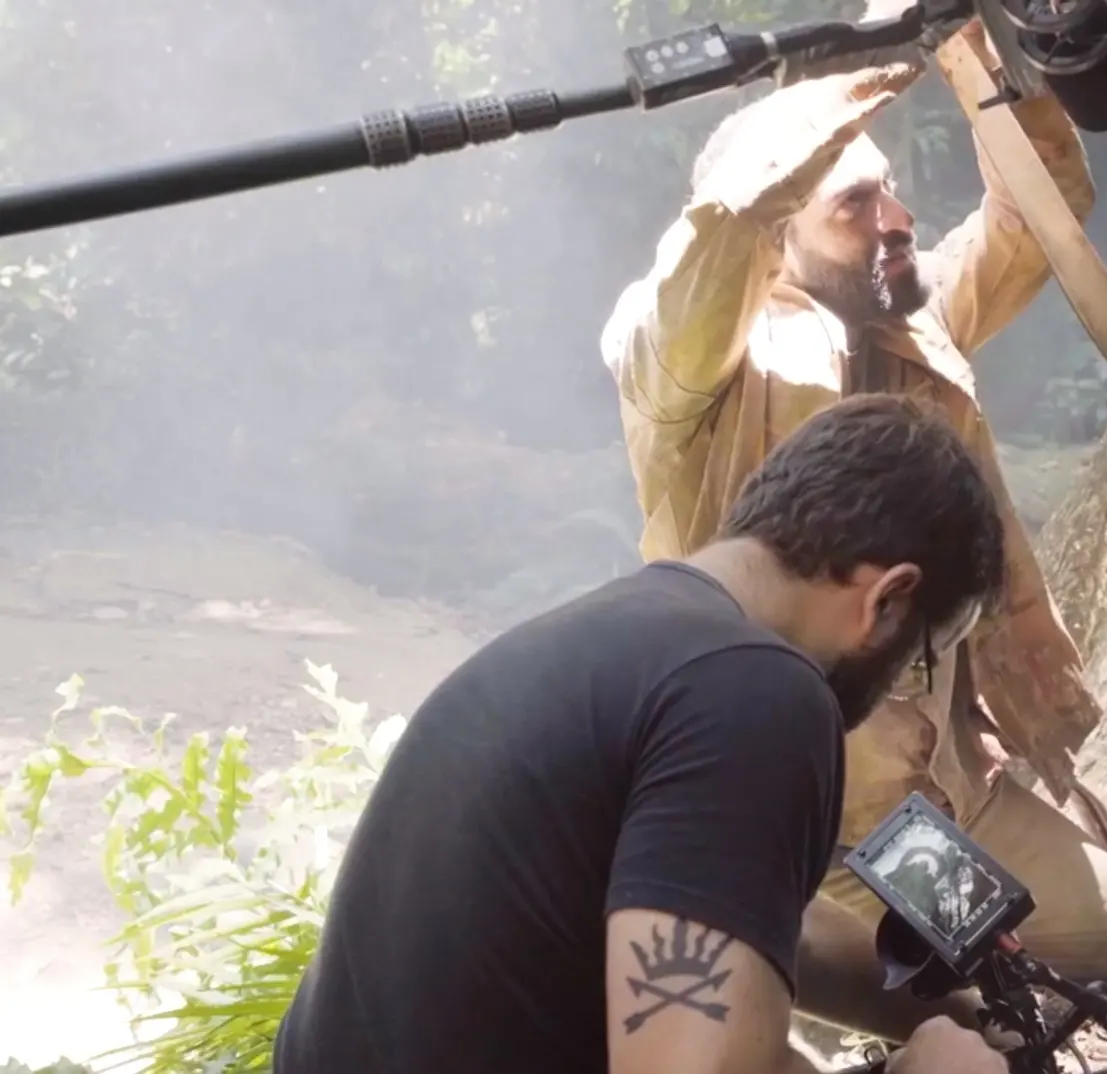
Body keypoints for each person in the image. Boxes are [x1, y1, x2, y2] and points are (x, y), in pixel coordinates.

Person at [598, 24, 1107, 1044]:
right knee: (974, 1008)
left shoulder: (908, 317)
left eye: (891, 192)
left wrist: (969, 47)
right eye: (854, 203)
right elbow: (718, 240)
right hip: (816, 807)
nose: (897, 220)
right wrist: (876, 54)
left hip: (942, 779)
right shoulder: (686, 359)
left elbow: (1036, 215)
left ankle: (928, 967)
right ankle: (824, 962)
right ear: (780, 227)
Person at [272, 395, 1011, 1074]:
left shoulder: (607, 640)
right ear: (888, 601)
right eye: (918, 662)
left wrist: (966, 1015)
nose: (899, 687)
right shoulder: (760, 691)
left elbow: (752, 920)